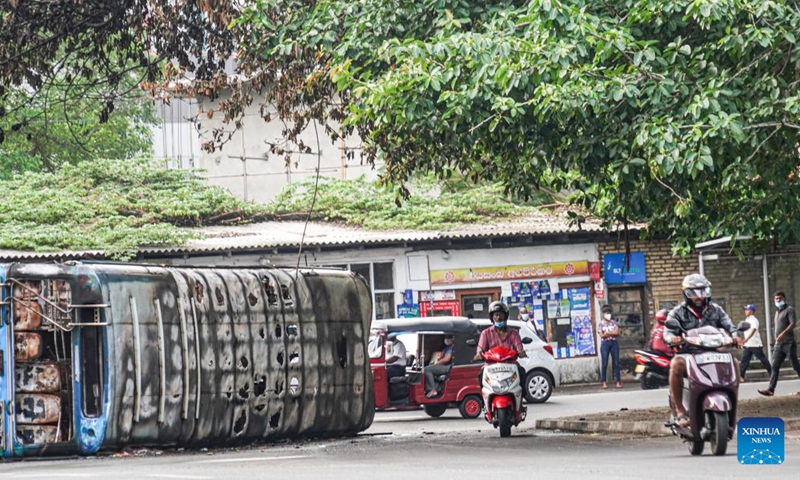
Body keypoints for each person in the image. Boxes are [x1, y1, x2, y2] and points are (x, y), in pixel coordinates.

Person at [664, 274, 742, 428]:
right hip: (689, 353)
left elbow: (730, 325)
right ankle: (680, 410)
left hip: (714, 352)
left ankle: (732, 407)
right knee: (675, 365)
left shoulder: (716, 309)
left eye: (702, 292)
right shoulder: (678, 312)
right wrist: (673, 338)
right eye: (693, 293)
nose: (698, 297)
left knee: (734, 362)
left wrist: (735, 337)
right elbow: (667, 332)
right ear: (686, 294)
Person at [473, 301, 527, 386]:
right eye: (496, 315)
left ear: (505, 316)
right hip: (491, 367)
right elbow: (480, 349)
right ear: (492, 318)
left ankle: (520, 397)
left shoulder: (514, 333)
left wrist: (521, 352)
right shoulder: (485, 333)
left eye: (501, 315)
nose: (498, 318)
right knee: (481, 374)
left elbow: (519, 347)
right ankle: (485, 398)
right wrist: (479, 354)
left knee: (521, 372)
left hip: (510, 366)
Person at [758, 292, 800, 396]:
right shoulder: (777, 312)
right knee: (774, 366)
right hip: (778, 344)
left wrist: (783, 334)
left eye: (780, 298)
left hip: (788, 343)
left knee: (795, 365)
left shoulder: (789, 310)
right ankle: (771, 389)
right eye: (776, 299)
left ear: (785, 299)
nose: (778, 300)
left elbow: (793, 323)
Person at [739, 304, 772, 382]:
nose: (745, 311)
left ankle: (772, 375)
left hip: (755, 345)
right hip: (748, 345)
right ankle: (741, 377)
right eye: (745, 309)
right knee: (744, 361)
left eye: (747, 310)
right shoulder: (746, 320)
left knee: (763, 360)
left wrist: (746, 339)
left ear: (751, 311)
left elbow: (753, 330)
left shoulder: (754, 320)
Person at [598, 304, 622, 389]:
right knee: (604, 363)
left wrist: (607, 333)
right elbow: (602, 335)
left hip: (614, 343)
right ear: (603, 314)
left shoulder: (614, 323)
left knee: (616, 363)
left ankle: (618, 381)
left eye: (609, 312)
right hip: (605, 344)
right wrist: (609, 334)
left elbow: (617, 333)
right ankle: (604, 382)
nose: (608, 314)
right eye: (606, 313)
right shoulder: (601, 324)